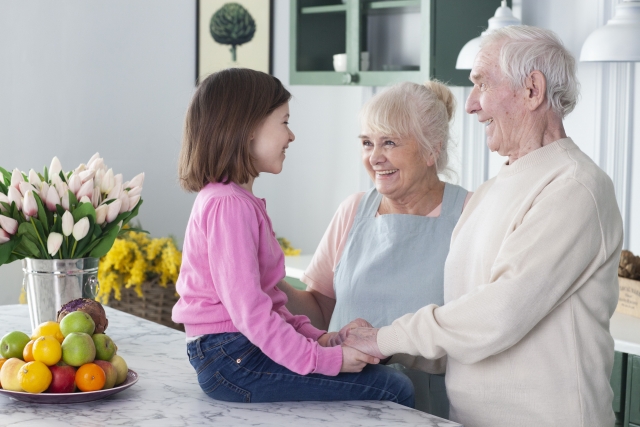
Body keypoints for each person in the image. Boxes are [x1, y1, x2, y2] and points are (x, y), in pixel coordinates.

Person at [343, 25, 624, 427]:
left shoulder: (574, 186)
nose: (471, 105)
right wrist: (380, 346)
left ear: (532, 90)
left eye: (481, 84)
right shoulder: (491, 192)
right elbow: (465, 334)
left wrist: (386, 337)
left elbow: (499, 314)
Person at [171, 68, 414, 407]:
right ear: (247, 128)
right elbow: (251, 315)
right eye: (284, 122)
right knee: (394, 388)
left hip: (234, 353)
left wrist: (324, 339)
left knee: (389, 381)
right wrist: (328, 360)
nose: (292, 136)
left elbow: (269, 303)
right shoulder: (229, 206)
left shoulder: (233, 201)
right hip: (233, 359)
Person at [279, 80, 470, 418]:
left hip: (434, 406)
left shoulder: (469, 214)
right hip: (347, 397)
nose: (375, 157)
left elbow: (478, 324)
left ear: (431, 149)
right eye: (367, 143)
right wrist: (266, 278)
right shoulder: (352, 211)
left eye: (389, 143)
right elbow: (320, 313)